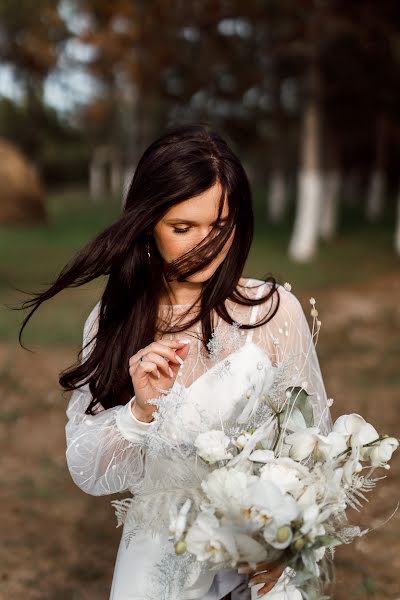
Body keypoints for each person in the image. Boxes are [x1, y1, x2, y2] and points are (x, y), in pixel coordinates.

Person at [18, 124, 332, 599]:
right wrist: (140, 412)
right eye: (183, 228)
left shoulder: (273, 312)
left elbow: (315, 448)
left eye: (220, 227)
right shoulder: (114, 320)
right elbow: (87, 467)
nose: (206, 245)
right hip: (158, 563)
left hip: (260, 559)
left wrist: (288, 544)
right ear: (148, 225)